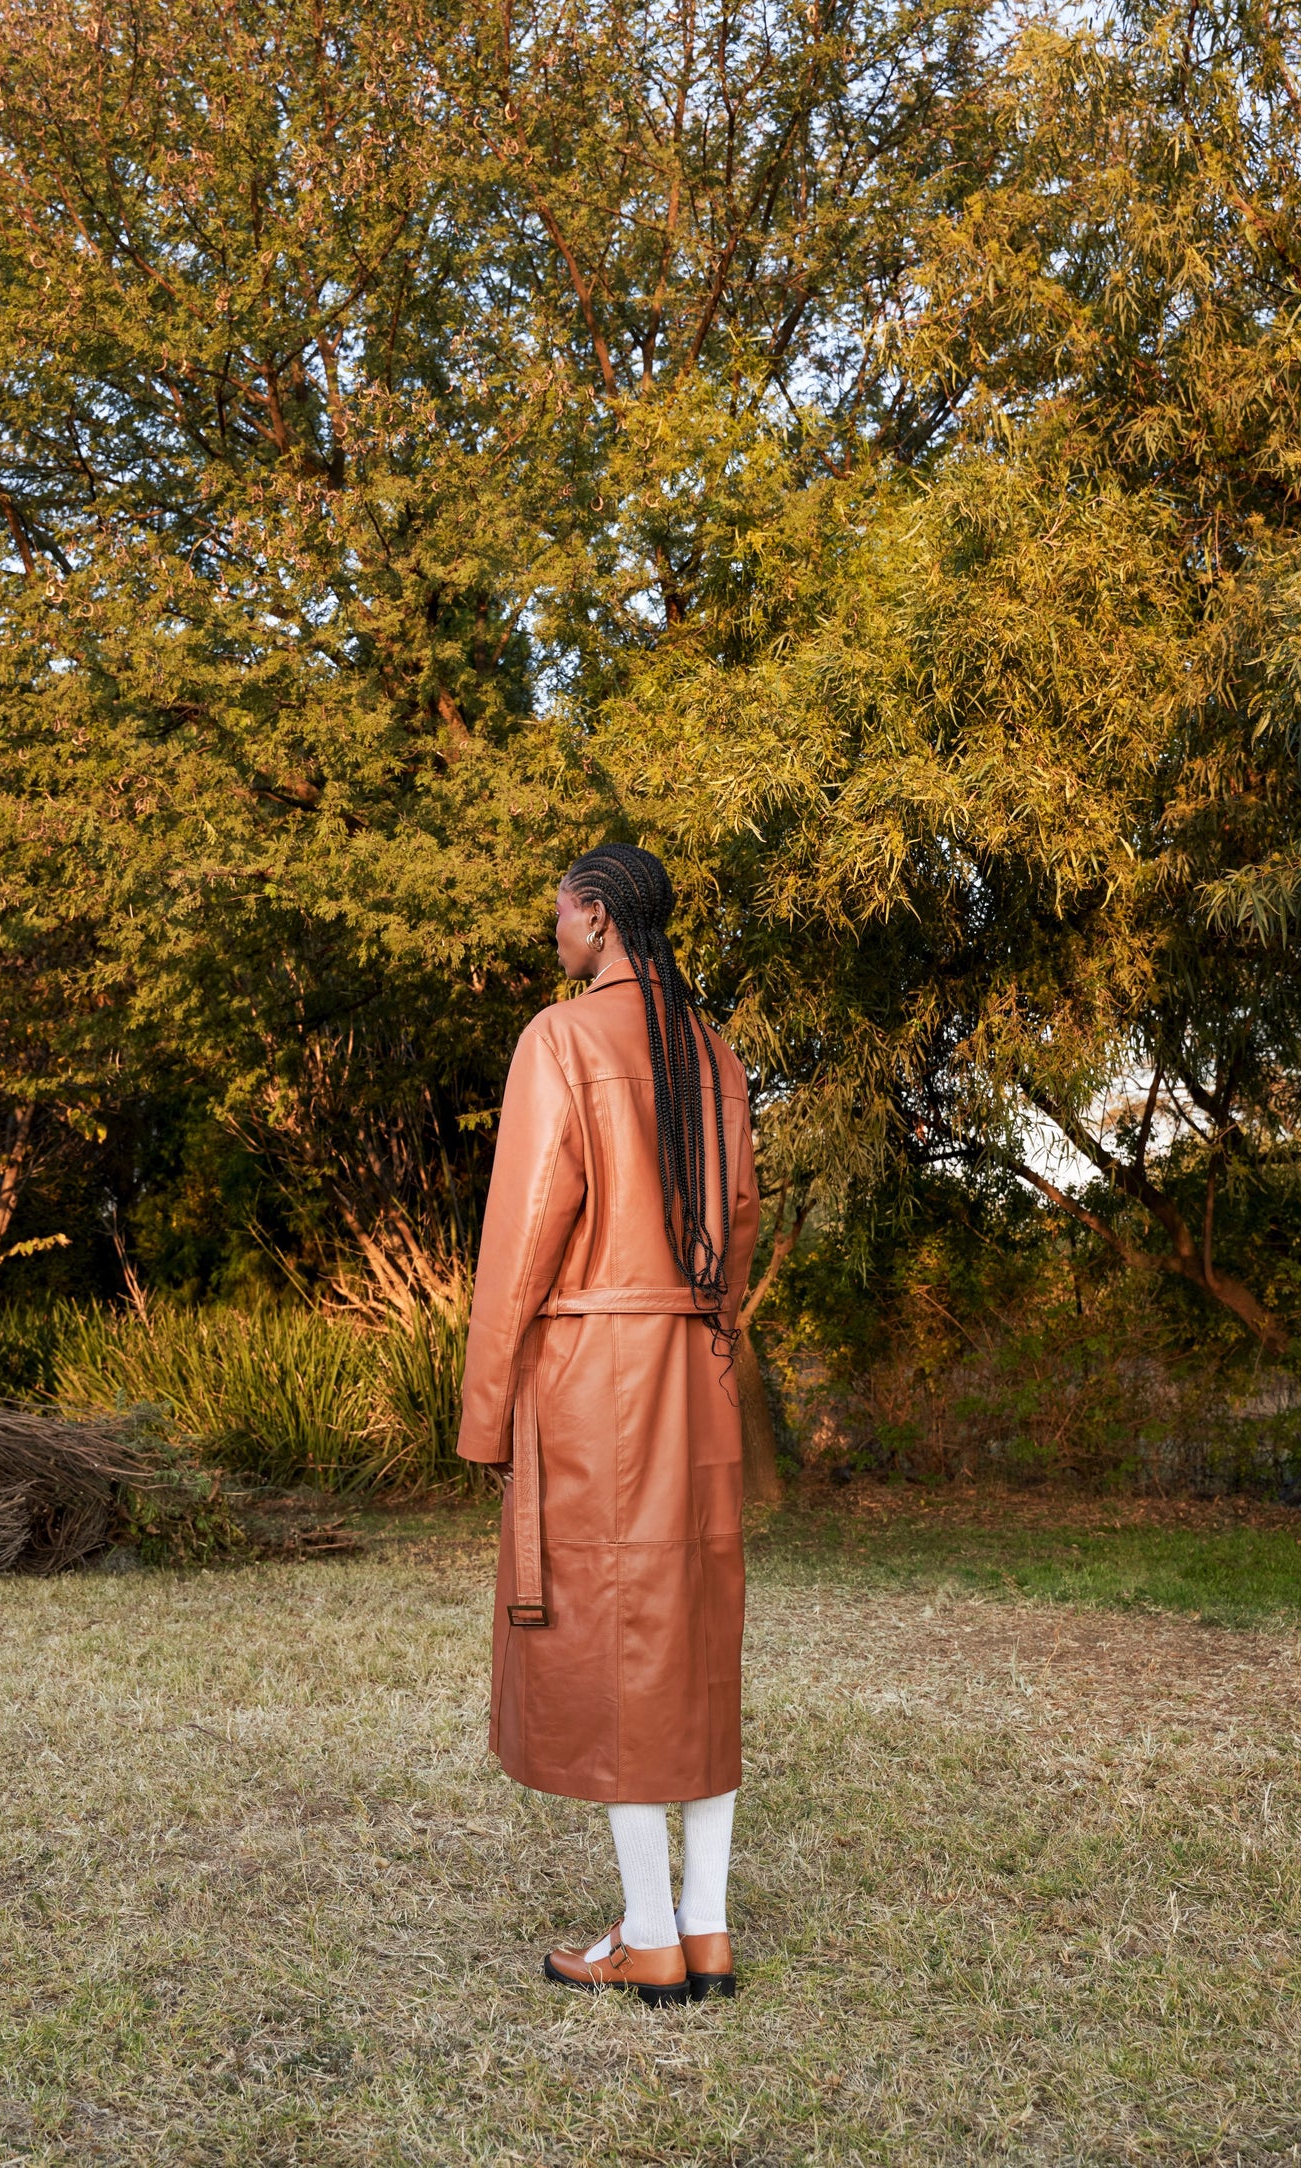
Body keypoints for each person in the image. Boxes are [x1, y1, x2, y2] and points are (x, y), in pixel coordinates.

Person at [456, 842, 760, 2008]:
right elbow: (730, 1226)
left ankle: (645, 1934)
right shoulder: (712, 1051)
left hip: (595, 1370)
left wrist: (487, 1408)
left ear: (592, 916)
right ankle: (707, 1926)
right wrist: (706, 1332)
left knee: (622, 1644)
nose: (552, 929)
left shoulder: (564, 1036)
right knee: (692, 1633)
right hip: (698, 1360)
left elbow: (522, 1236)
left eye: (556, 910)